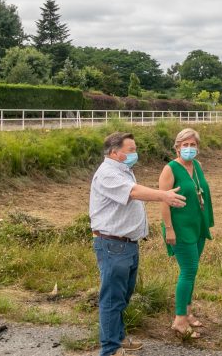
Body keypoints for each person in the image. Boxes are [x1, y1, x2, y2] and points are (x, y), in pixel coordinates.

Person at [90, 131, 186, 356]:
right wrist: (163, 195)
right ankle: (110, 349)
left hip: (127, 245)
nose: (136, 153)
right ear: (115, 152)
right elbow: (133, 193)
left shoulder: (123, 171)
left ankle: (118, 338)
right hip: (113, 245)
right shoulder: (108, 173)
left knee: (122, 296)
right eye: (131, 150)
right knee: (112, 299)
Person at [158, 128, 214, 338]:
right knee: (188, 271)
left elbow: (201, 193)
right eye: (185, 145)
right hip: (180, 228)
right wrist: (169, 229)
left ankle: (188, 313)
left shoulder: (197, 165)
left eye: (193, 145)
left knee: (193, 271)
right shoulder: (170, 169)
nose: (189, 148)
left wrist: (206, 222)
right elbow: (164, 200)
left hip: (197, 226)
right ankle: (179, 319)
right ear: (177, 147)